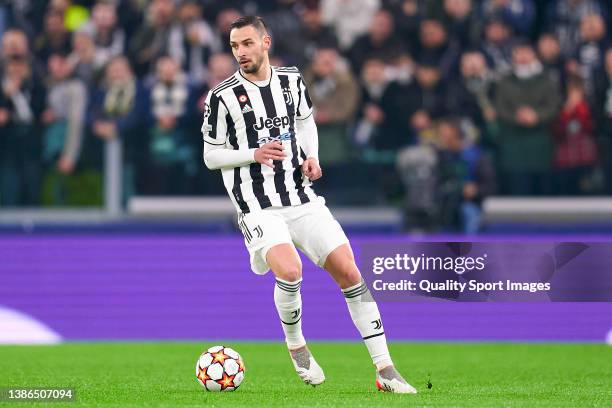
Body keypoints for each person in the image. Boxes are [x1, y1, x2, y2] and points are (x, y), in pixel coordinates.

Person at [201, 16, 417, 394]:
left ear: (265, 42)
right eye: (235, 46)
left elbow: (305, 122)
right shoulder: (222, 96)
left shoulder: (290, 80)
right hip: (257, 204)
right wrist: (253, 153)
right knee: (290, 270)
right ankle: (297, 345)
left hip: (300, 196)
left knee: (350, 272)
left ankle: (386, 370)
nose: (241, 52)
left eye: (247, 43)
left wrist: (312, 156)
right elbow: (210, 155)